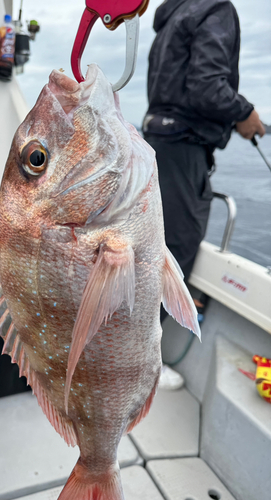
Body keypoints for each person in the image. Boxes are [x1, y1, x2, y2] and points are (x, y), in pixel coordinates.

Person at [142, 0, 265, 389]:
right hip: (183, 146)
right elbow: (207, 86)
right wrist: (244, 113)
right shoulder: (216, 10)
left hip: (157, 142)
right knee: (174, 252)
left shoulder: (175, 15)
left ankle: (126, 353)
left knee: (151, 250)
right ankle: (140, 365)